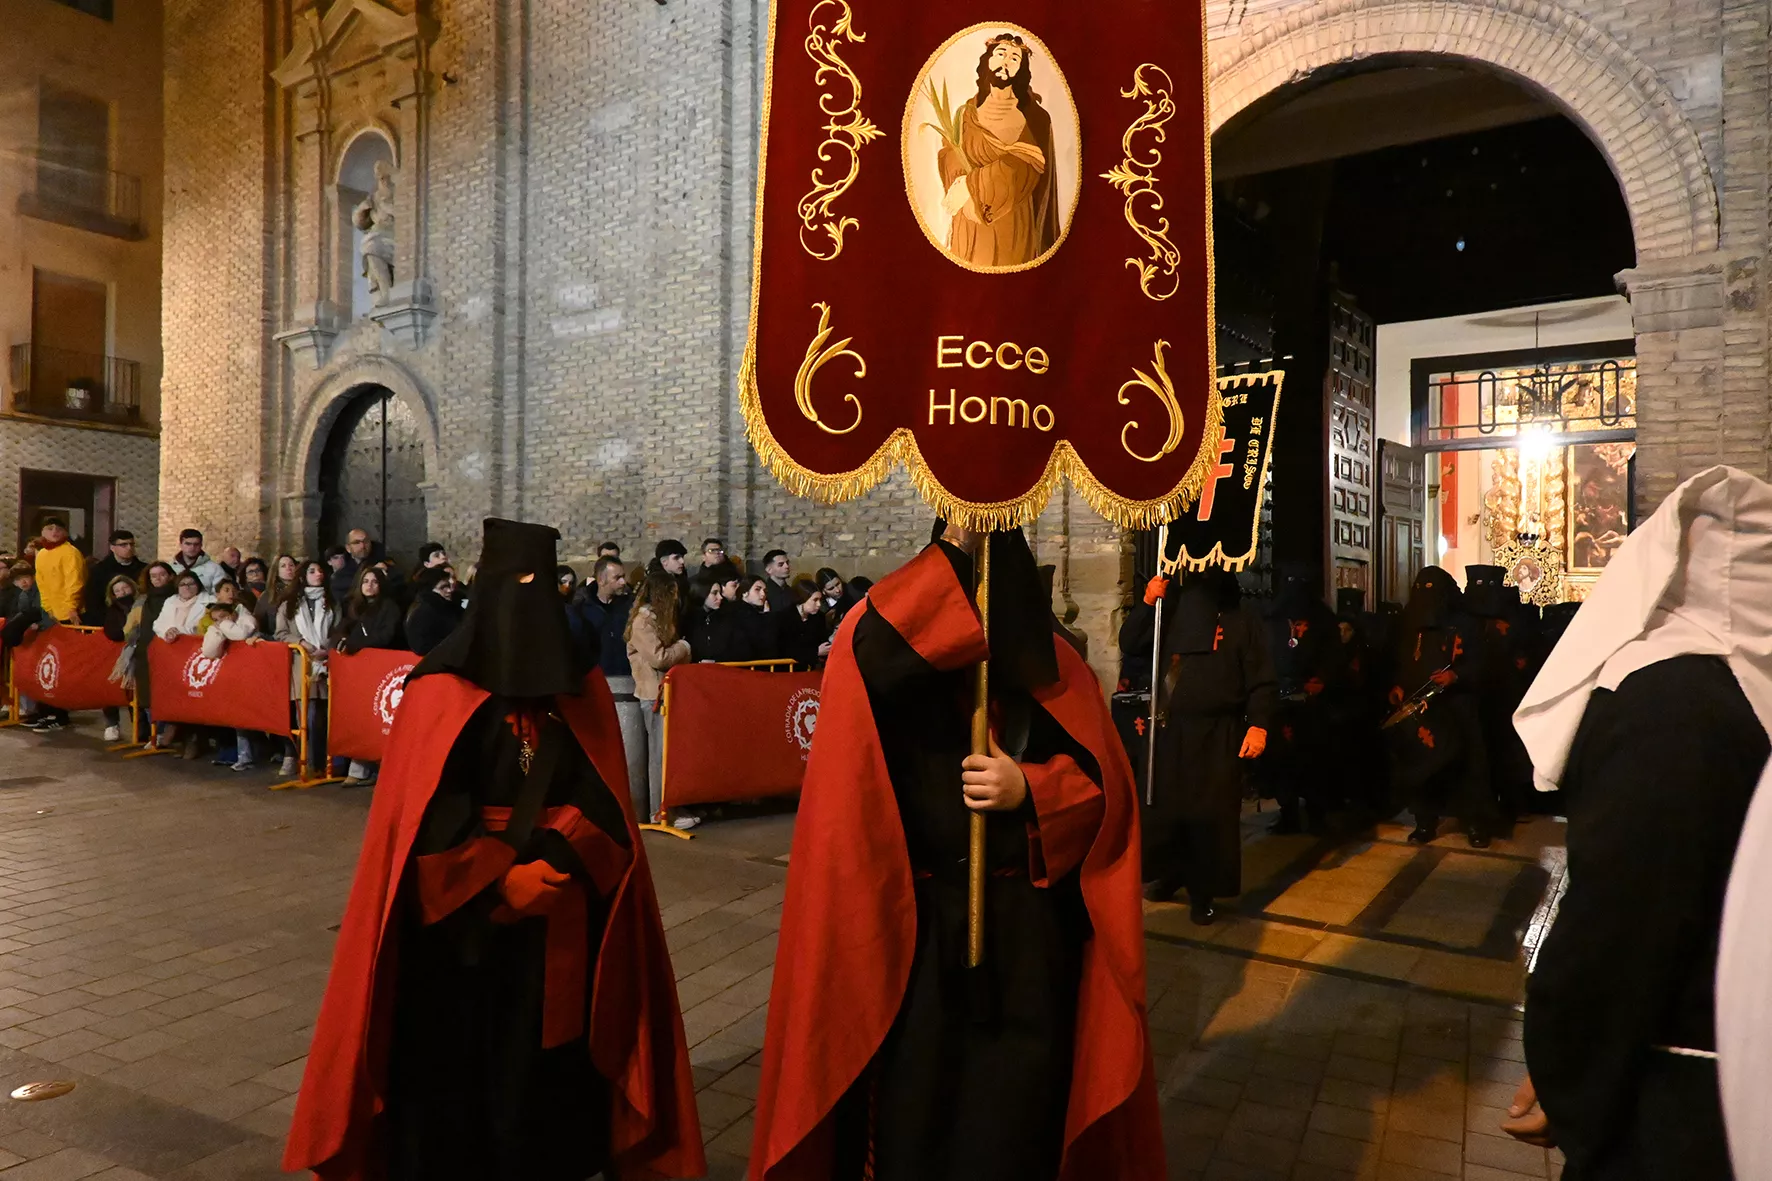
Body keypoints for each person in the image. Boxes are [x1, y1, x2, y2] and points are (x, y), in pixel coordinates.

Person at [284, 518, 704, 1181]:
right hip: (460, 931)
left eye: (543, 584)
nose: (528, 601)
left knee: (544, 1067)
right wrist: (497, 879)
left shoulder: (581, 689)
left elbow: (604, 801)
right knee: (458, 1066)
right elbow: (426, 815)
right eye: (515, 584)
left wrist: (560, 863)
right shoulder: (438, 689)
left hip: (557, 918)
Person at [751, 523, 1163, 1181]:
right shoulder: (891, 657)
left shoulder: (1056, 668)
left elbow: (1103, 793)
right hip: (922, 927)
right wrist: (957, 542)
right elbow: (873, 648)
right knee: (919, 1114)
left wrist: (1030, 787)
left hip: (1024, 930)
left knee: (1014, 1120)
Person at [1503, 467, 1772, 1180]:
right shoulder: (1737, 689)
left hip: (1673, 1092)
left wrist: (1565, 1073)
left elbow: (1620, 920)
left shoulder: (1668, 705)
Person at [1144, 567, 1276, 923]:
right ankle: (1172, 873)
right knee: (1169, 811)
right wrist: (1148, 604)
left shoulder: (1242, 622)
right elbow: (1134, 643)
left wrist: (1258, 725)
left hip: (1219, 733)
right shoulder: (1170, 613)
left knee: (1209, 816)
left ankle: (1202, 893)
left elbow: (1261, 679)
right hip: (1171, 730)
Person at [1386, 566, 1498, 848]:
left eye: (1431, 589)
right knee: (1423, 764)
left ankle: (1475, 824)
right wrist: (1399, 684)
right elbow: (1403, 659)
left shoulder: (1466, 624)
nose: (1425, 595)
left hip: (1458, 705)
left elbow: (1483, 663)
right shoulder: (1411, 622)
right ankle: (1425, 821)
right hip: (1422, 707)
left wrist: (1456, 675)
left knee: (1468, 766)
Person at [576, 557, 645, 819]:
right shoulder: (582, 609)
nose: (623, 582)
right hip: (597, 685)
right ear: (602, 579)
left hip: (627, 683)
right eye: (617, 577)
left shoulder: (628, 607)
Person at [626, 564, 693, 825]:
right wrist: (684, 647)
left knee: (669, 755)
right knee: (659, 756)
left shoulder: (659, 620)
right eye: (672, 593)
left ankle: (670, 807)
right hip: (653, 695)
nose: (676, 599)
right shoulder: (643, 622)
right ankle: (659, 811)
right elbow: (659, 658)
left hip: (666, 693)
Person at [274, 561, 336, 778]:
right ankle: (304, 761)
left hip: (326, 664)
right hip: (301, 665)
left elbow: (338, 629)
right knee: (305, 717)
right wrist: (302, 642)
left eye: (320, 571)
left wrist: (327, 649)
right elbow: (281, 633)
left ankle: (321, 764)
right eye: (312, 571)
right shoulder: (289, 604)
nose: (318, 574)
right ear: (302, 577)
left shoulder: (332, 602)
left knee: (321, 717)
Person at [200, 586, 262, 772]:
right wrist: (216, 629)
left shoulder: (246, 619)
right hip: (231, 674)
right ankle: (243, 755)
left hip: (250, 674)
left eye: (223, 617)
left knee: (250, 715)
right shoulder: (221, 626)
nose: (220, 622)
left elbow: (240, 635)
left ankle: (253, 754)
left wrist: (225, 625)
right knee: (236, 716)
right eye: (216, 619)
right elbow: (209, 651)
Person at [114, 562, 176, 748]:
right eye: (153, 576)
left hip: (170, 652)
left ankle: (165, 733)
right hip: (144, 651)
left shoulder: (175, 598)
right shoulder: (143, 600)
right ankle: (153, 734)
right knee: (146, 695)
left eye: (162, 574)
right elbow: (129, 627)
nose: (158, 579)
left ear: (170, 575)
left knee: (167, 694)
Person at [333, 566, 406, 655]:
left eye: (374, 582)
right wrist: (342, 641)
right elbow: (341, 629)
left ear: (381, 584)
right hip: (354, 656)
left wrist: (354, 644)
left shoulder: (389, 607)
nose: (369, 585)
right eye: (365, 581)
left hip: (379, 655)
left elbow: (385, 636)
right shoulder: (353, 605)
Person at [83, 529, 144, 626]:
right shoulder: (99, 570)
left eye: (132, 544)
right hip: (108, 621)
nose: (129, 548)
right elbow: (93, 601)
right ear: (112, 547)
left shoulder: (143, 569)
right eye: (123, 545)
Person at [33, 517, 85, 626]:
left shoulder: (70, 552)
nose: (54, 532)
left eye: (59, 529)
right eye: (50, 528)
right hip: (53, 612)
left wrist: (72, 607)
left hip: (73, 611)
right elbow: (41, 583)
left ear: (65, 533)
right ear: (42, 532)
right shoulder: (41, 554)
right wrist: (47, 607)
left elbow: (75, 582)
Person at [404, 566, 462, 657]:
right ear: (429, 590)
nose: (449, 590)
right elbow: (420, 646)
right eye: (443, 587)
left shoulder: (449, 606)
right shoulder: (424, 611)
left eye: (448, 586)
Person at [730, 574, 779, 662]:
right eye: (757, 589)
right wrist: (767, 617)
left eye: (765, 591)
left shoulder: (755, 612)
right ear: (745, 592)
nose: (763, 594)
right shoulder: (741, 614)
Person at [686, 573, 735, 663]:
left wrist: (716, 661)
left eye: (720, 593)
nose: (720, 597)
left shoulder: (727, 617)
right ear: (702, 593)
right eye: (714, 593)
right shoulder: (688, 620)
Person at [784, 583, 834, 670]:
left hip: (812, 668)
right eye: (815, 600)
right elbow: (786, 649)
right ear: (803, 599)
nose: (819, 604)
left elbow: (822, 642)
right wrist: (815, 652)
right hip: (789, 670)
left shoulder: (819, 617)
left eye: (820, 600)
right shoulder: (785, 617)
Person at [171, 528, 226, 593]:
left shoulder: (215, 569)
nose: (192, 547)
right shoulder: (170, 568)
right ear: (180, 545)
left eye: (196, 544)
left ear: (201, 545)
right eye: (188, 544)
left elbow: (220, 595)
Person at [257, 554, 299, 633]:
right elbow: (258, 622)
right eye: (283, 566)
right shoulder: (268, 595)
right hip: (277, 637)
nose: (288, 568)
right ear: (276, 571)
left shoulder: (302, 590)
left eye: (291, 565)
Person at [760, 549, 797, 615]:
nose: (787, 566)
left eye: (787, 563)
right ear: (769, 569)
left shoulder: (792, 592)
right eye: (780, 564)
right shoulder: (763, 593)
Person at [655, 539, 690, 603]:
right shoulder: (655, 586)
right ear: (664, 561)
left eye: (682, 557)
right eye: (676, 558)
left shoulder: (682, 578)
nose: (682, 561)